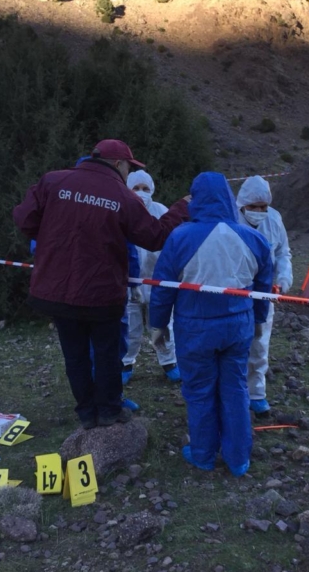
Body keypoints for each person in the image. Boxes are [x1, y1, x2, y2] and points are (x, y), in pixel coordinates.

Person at [12, 139, 189, 430]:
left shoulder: (54, 180)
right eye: (129, 168)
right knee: (107, 352)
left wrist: (52, 235)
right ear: (118, 164)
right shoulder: (122, 196)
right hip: (101, 293)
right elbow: (155, 236)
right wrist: (181, 208)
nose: (128, 174)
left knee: (74, 353)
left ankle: (86, 413)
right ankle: (108, 411)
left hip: (55, 290)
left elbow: (24, 220)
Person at [149, 172, 273, 477]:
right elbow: (263, 286)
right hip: (238, 325)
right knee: (235, 387)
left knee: (199, 390)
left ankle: (203, 454)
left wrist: (158, 324)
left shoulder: (179, 236)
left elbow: (163, 285)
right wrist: (258, 319)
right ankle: (238, 458)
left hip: (195, 327)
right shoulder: (253, 238)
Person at [235, 175, 292, 415]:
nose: (259, 211)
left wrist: (283, 277)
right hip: (235, 290)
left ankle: (257, 393)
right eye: (253, 207)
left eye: (263, 207)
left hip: (265, 291)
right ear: (242, 204)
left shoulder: (275, 219)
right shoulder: (230, 219)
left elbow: (283, 252)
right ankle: (234, 392)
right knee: (235, 342)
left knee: (259, 342)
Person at [122, 169, 181, 385]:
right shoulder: (121, 211)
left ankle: (169, 362)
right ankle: (125, 363)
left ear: (152, 190)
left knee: (162, 324)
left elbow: (172, 246)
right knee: (130, 326)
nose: (141, 193)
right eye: (135, 188)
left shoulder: (161, 212)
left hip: (158, 282)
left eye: (145, 188)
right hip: (130, 284)